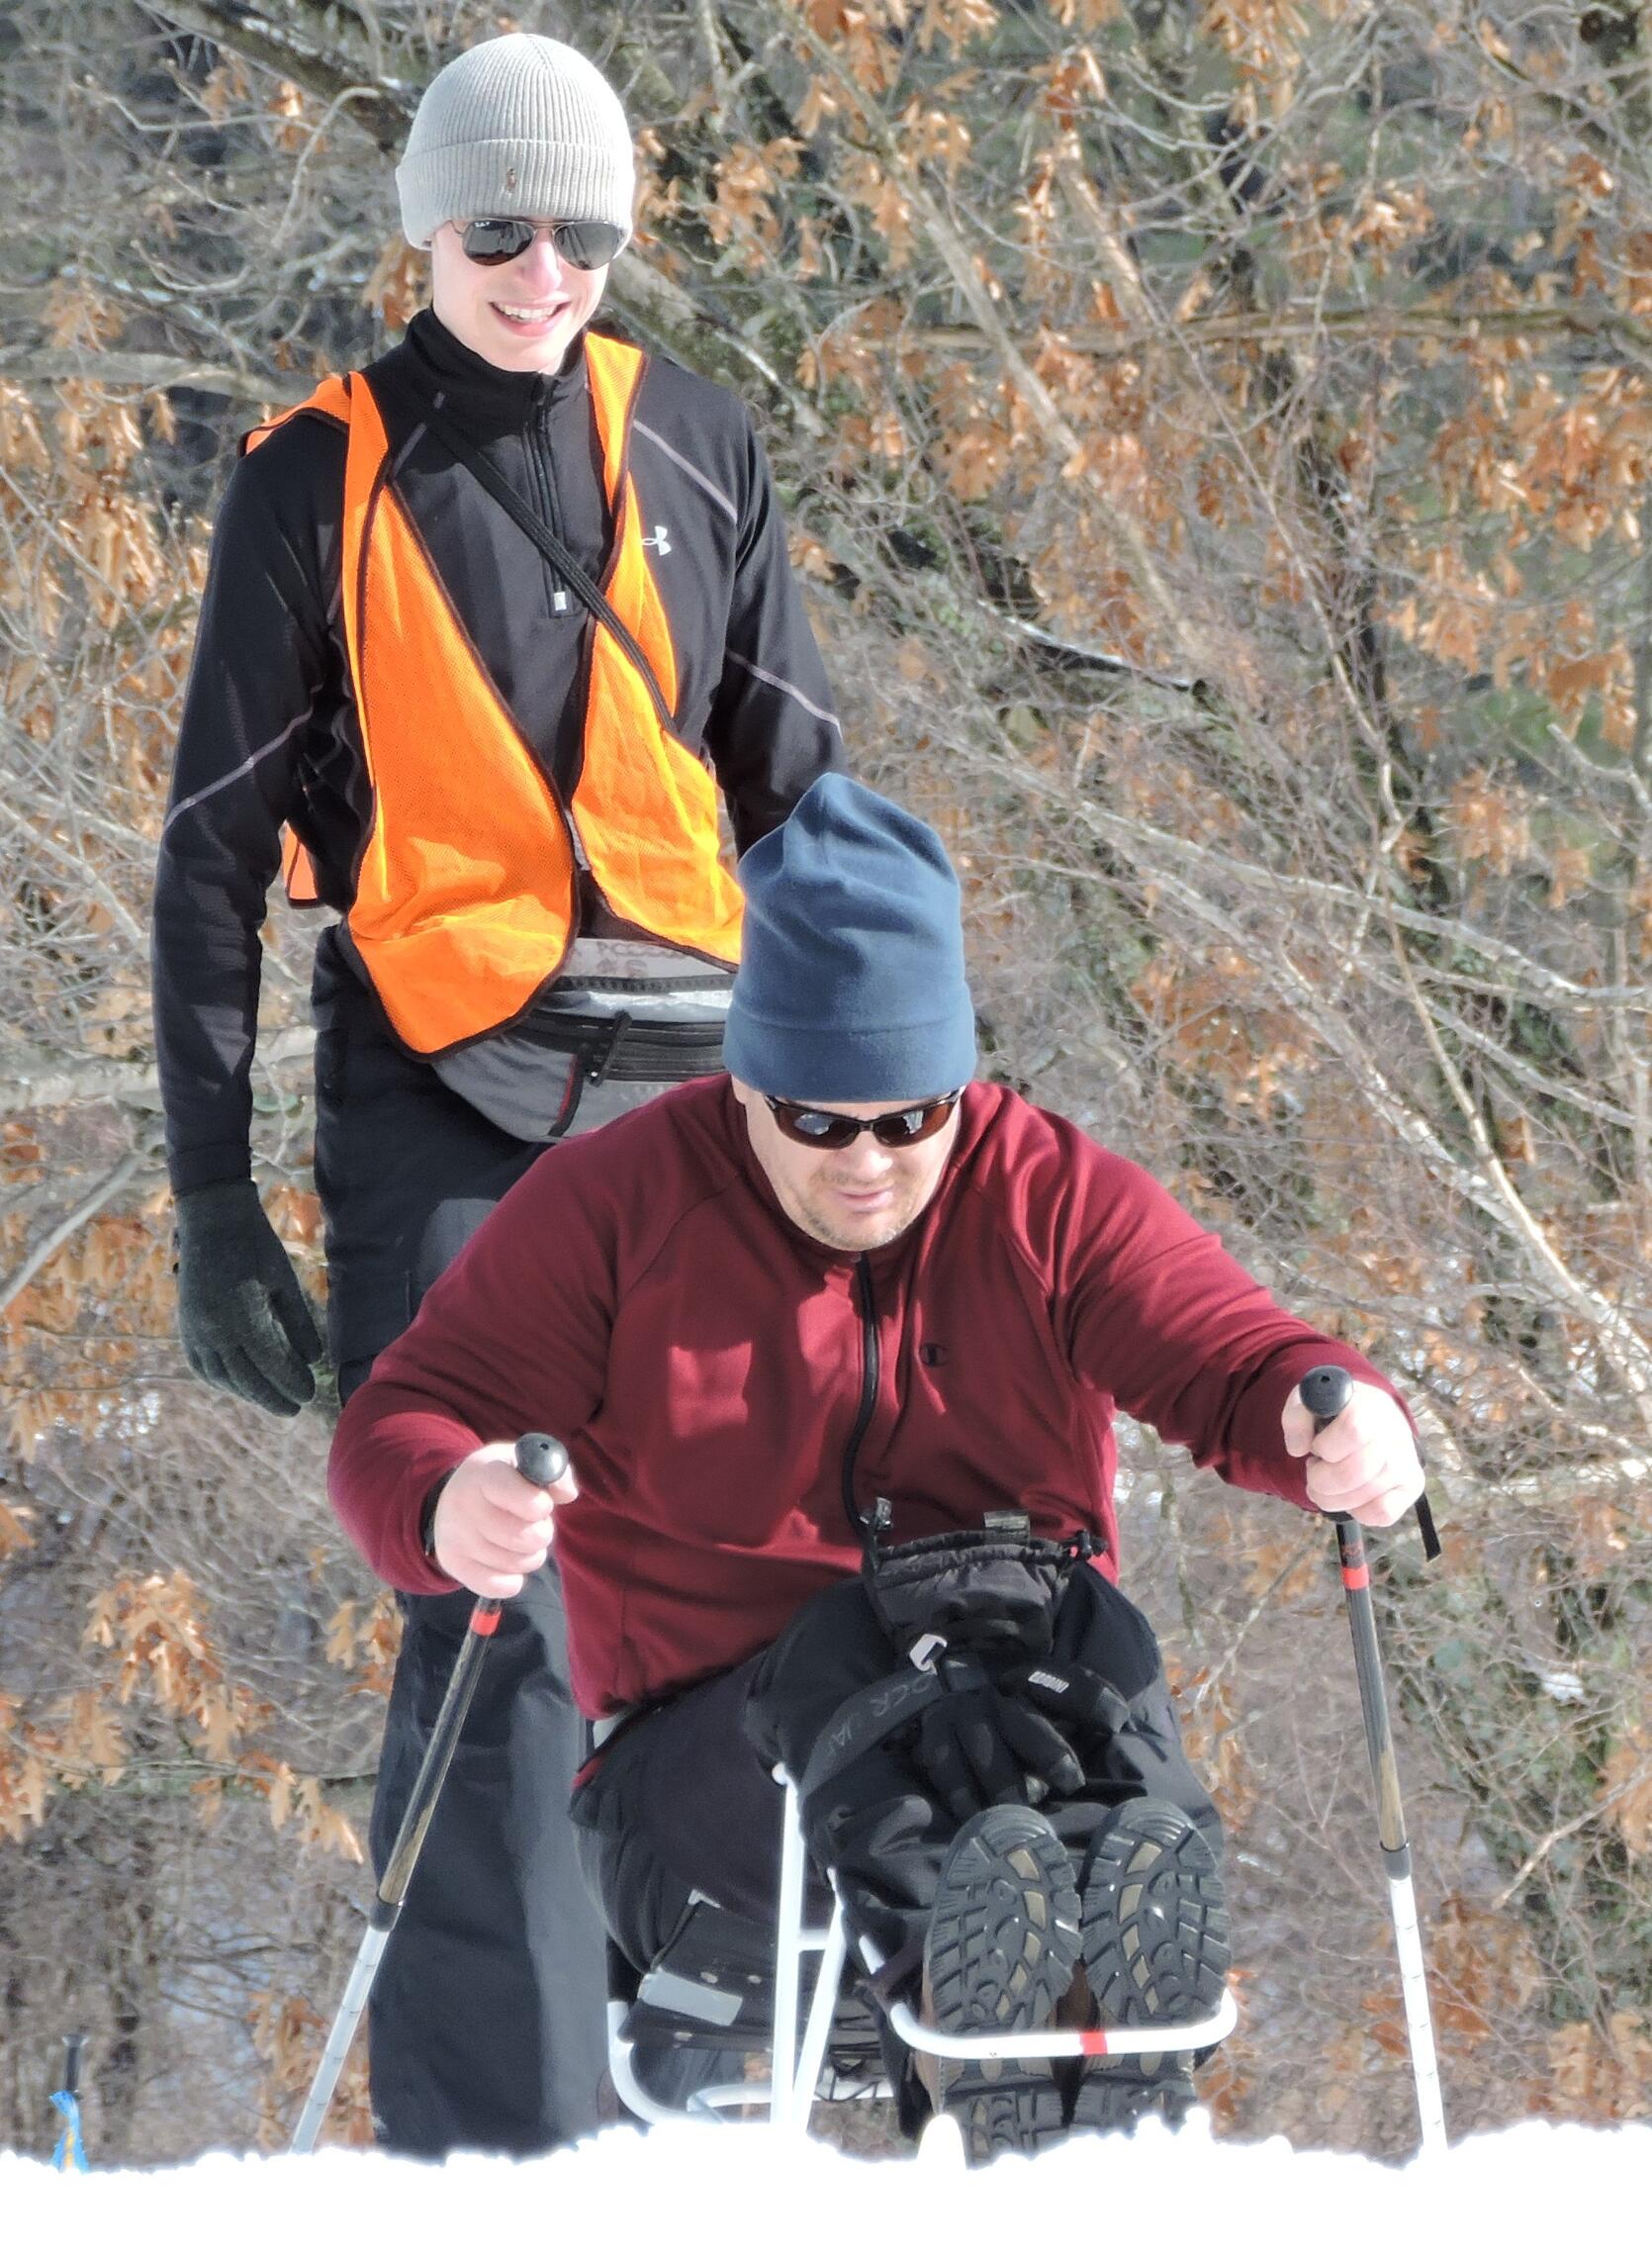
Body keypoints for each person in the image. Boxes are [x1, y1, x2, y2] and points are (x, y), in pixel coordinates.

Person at [327, 776, 1425, 2162]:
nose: (868, 1165)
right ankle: (994, 2020)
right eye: (819, 1122)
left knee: (1076, 1637)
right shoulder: (613, 1208)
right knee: (861, 1651)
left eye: (910, 1120)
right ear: (743, 1079)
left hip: (1016, 1714)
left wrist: (1335, 1416)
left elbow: (1227, 1354)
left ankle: (1117, 1967)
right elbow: (409, 1416)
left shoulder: (1044, 1193)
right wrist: (446, 1496)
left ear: (960, 1084)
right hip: (707, 1783)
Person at [150, 33, 843, 2157]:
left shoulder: (707, 446)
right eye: (499, 229)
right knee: (489, 1597)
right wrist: (212, 1200)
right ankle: (503, 2153)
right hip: (437, 1097)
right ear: (426, 229)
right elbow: (210, 860)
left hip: (698, 1095)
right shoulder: (315, 477)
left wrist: (909, 1144)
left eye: (587, 233)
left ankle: (722, 2079)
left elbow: (818, 829)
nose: (545, 271)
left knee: (754, 1576)